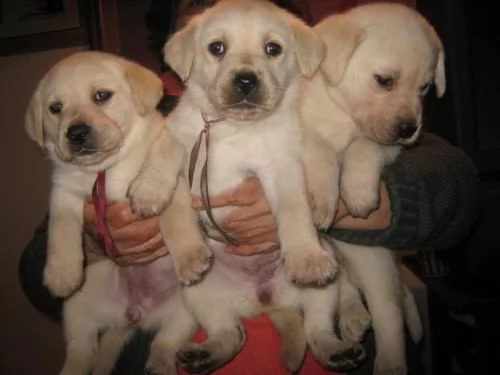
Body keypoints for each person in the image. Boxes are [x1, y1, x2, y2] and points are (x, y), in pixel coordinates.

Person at [19, 0, 481, 374]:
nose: (242, 64)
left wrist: (349, 201)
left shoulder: (321, 99)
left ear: (298, 53)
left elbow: (458, 187)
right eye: (217, 44)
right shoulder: (130, 116)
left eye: (268, 45)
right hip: (185, 324)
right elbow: (38, 272)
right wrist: (96, 239)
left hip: (323, 318)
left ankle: (323, 331)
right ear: (181, 46)